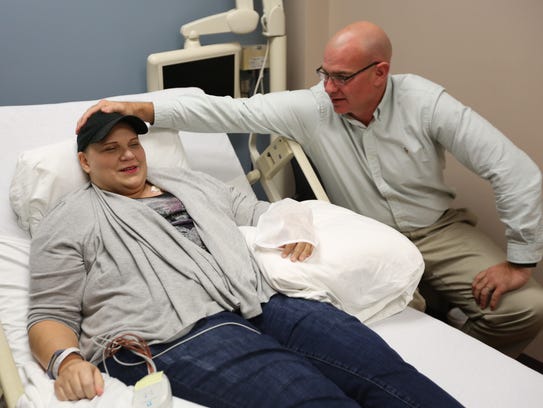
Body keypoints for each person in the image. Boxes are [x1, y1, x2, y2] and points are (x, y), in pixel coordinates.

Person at [76, 21, 543, 359]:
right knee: (393, 328)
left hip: (438, 230)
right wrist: (139, 107)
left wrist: (520, 261)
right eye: (325, 73)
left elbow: (513, 169)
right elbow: (231, 113)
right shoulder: (314, 106)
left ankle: (466, 362)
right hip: (367, 235)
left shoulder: (424, 102)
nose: (328, 87)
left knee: (525, 307)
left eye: (342, 78)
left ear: (380, 73)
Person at [28, 111, 461, 407]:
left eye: (133, 143)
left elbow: (257, 212)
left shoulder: (189, 183)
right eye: (110, 148)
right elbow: (49, 313)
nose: (127, 155)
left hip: (263, 300)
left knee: (387, 375)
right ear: (85, 162)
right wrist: (68, 361)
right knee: (309, 399)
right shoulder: (69, 219)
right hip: (177, 332)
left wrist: (294, 229)